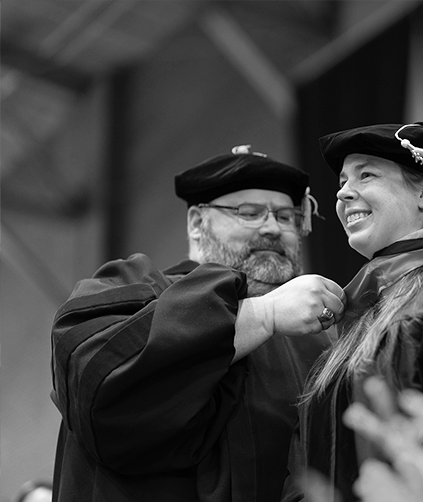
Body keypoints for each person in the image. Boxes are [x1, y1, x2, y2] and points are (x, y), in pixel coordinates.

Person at [49, 145, 344, 501]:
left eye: (286, 217)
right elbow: (107, 398)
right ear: (196, 222)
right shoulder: (130, 287)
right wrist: (262, 315)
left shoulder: (316, 342)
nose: (272, 228)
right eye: (249, 212)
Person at [280, 123, 423, 502]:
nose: (343, 192)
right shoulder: (357, 321)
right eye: (342, 181)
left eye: (366, 175)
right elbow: (303, 476)